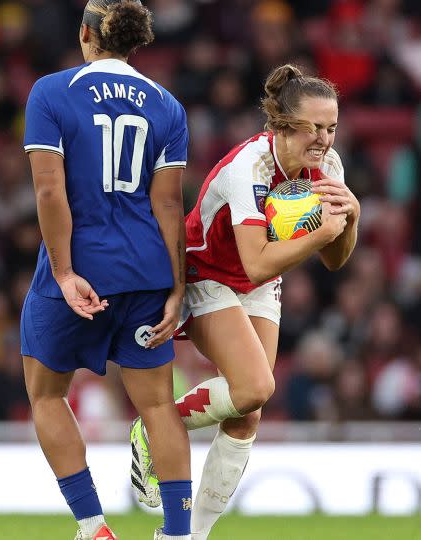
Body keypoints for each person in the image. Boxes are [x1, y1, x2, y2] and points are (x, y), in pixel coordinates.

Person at [129, 64, 360, 539]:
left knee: (247, 412)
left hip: (257, 282)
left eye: (332, 127)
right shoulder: (248, 167)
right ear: (280, 124)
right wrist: (324, 231)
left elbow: (336, 260)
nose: (324, 139)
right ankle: (157, 425)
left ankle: (189, 535)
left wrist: (351, 218)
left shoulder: (329, 168)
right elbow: (255, 261)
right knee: (256, 386)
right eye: (313, 127)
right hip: (204, 272)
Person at [20, 2, 192, 539]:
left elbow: (50, 190)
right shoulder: (167, 104)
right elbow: (169, 205)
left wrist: (65, 273)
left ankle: (94, 527)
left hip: (81, 268)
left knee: (47, 394)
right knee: (159, 405)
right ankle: (178, 533)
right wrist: (178, 287)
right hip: (146, 272)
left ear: (85, 34)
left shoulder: (50, 92)